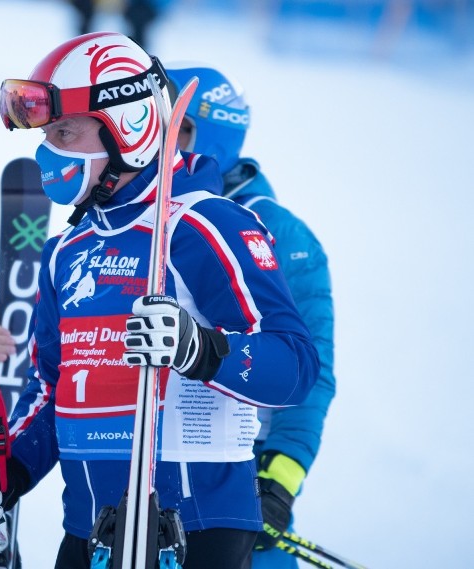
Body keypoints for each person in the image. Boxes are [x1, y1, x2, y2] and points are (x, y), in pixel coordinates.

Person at [0, 32, 319, 569]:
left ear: (126, 125)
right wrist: (4, 471)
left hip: (194, 531)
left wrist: (201, 349)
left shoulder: (203, 226)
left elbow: (295, 366)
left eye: (64, 132)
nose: (47, 152)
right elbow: (54, 393)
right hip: (88, 531)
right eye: (47, 135)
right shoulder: (63, 254)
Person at [166, 63, 336, 569]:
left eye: (182, 129)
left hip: (242, 477)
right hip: (157, 476)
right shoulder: (146, 219)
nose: (165, 143)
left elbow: (311, 372)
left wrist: (276, 485)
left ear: (214, 136)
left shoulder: (281, 234)